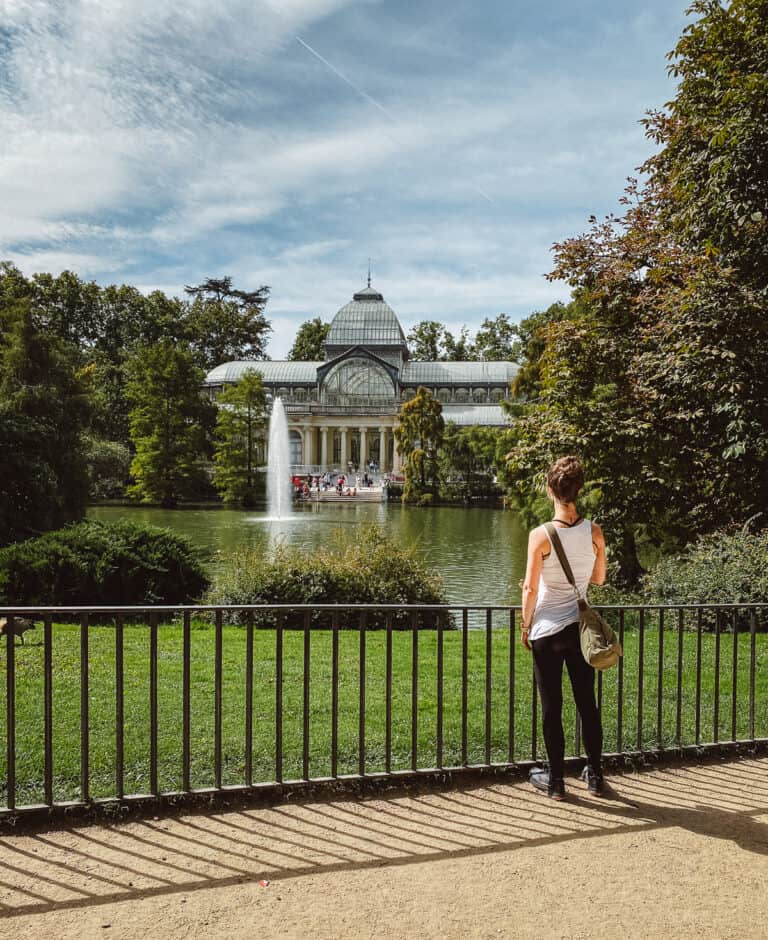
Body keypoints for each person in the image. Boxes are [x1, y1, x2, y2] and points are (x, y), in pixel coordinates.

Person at [520, 456, 607, 800]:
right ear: (580, 490)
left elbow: (529, 588)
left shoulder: (540, 535)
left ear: (549, 490)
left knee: (551, 708)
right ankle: (596, 776)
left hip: (546, 629)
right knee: (587, 704)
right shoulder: (594, 532)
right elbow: (598, 579)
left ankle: (556, 782)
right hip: (579, 630)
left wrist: (525, 626)